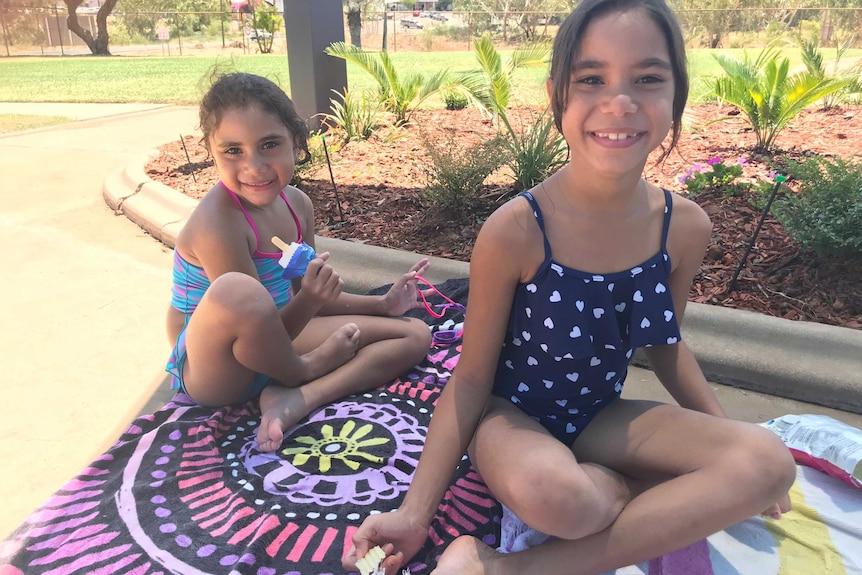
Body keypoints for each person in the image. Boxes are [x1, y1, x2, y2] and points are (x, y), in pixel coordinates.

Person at [342, 1, 797, 573]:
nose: (621, 101)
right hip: (511, 419)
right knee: (565, 501)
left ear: (677, 93)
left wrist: (727, 438)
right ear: (559, 93)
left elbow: (665, 345)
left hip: (603, 416)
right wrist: (414, 513)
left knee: (767, 462)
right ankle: (627, 500)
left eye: (648, 78)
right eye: (592, 79)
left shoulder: (682, 227)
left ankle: (507, 566)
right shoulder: (517, 230)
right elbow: (473, 375)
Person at [165, 72, 433, 453]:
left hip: (279, 337)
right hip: (218, 367)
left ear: (296, 142)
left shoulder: (298, 205)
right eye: (233, 150)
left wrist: (382, 305)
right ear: (211, 150)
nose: (253, 166)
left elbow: (305, 299)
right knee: (239, 291)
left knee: (414, 335)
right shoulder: (218, 222)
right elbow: (255, 330)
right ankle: (304, 373)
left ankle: (299, 398)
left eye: (269, 144)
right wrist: (311, 344)